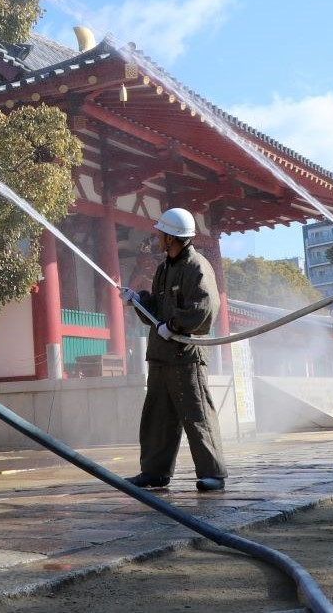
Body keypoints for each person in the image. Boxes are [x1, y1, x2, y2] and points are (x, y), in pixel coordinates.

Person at [119, 207, 228, 493]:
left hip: (185, 357)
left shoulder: (197, 267)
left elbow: (205, 310)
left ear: (171, 237)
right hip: (160, 356)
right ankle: (154, 472)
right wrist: (138, 300)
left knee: (197, 414)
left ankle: (213, 473)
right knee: (157, 416)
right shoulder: (164, 268)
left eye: (160, 234)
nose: (157, 237)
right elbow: (155, 309)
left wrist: (175, 326)